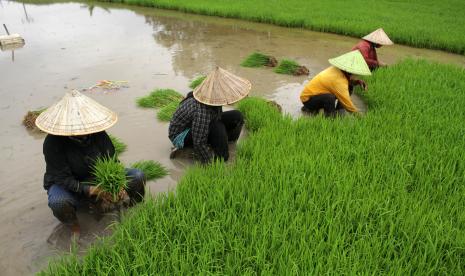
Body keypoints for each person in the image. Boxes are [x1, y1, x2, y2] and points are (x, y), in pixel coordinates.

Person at [35, 90, 146, 238]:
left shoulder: (99, 134)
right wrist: (92, 190)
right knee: (59, 202)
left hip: (96, 178)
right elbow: (62, 178)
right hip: (66, 184)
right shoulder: (52, 143)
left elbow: (112, 161)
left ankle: (133, 209)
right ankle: (74, 228)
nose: (82, 129)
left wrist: (116, 184)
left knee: (138, 176)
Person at [169, 67, 251, 163]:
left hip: (196, 125)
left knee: (236, 116)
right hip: (181, 135)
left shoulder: (213, 100)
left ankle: (227, 143)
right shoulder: (202, 110)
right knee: (217, 127)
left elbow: (217, 117)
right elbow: (199, 141)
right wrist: (210, 164)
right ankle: (221, 157)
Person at [300, 50, 371, 117]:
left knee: (349, 87)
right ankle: (330, 119)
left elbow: (346, 82)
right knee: (329, 98)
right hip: (307, 99)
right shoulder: (338, 80)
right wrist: (360, 117)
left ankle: (339, 111)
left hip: (315, 95)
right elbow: (348, 105)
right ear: (350, 71)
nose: (356, 74)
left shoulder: (337, 70)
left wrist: (357, 82)